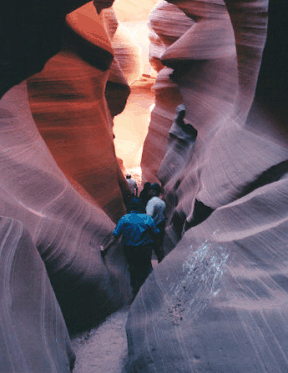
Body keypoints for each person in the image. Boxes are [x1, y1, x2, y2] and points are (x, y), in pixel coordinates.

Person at [101, 201, 160, 296]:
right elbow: (156, 233)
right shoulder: (147, 218)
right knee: (146, 267)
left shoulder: (124, 219)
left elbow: (115, 236)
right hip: (145, 248)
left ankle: (136, 291)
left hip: (130, 250)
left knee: (133, 268)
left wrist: (105, 248)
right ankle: (150, 290)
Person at [145, 182, 166, 262]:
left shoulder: (151, 202)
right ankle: (161, 262)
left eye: (151, 190)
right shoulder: (162, 202)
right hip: (161, 226)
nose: (149, 192)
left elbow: (149, 216)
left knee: (149, 247)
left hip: (153, 227)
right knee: (159, 247)